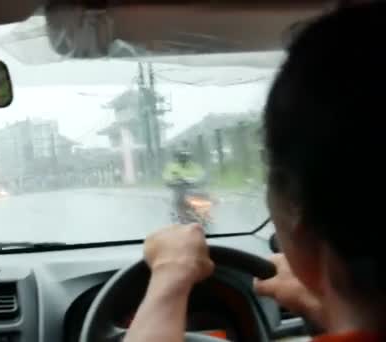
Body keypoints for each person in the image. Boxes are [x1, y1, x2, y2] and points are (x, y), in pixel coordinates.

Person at [125, 3, 386, 342]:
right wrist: (326, 305)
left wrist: (170, 275)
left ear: (293, 203)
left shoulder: (193, 164)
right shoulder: (177, 164)